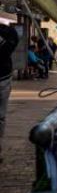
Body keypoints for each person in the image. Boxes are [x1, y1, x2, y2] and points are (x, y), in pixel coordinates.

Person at [0, 24, 18, 163]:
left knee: (0, 116)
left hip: (3, 78)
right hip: (4, 77)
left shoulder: (8, 31)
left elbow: (8, 49)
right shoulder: (7, 32)